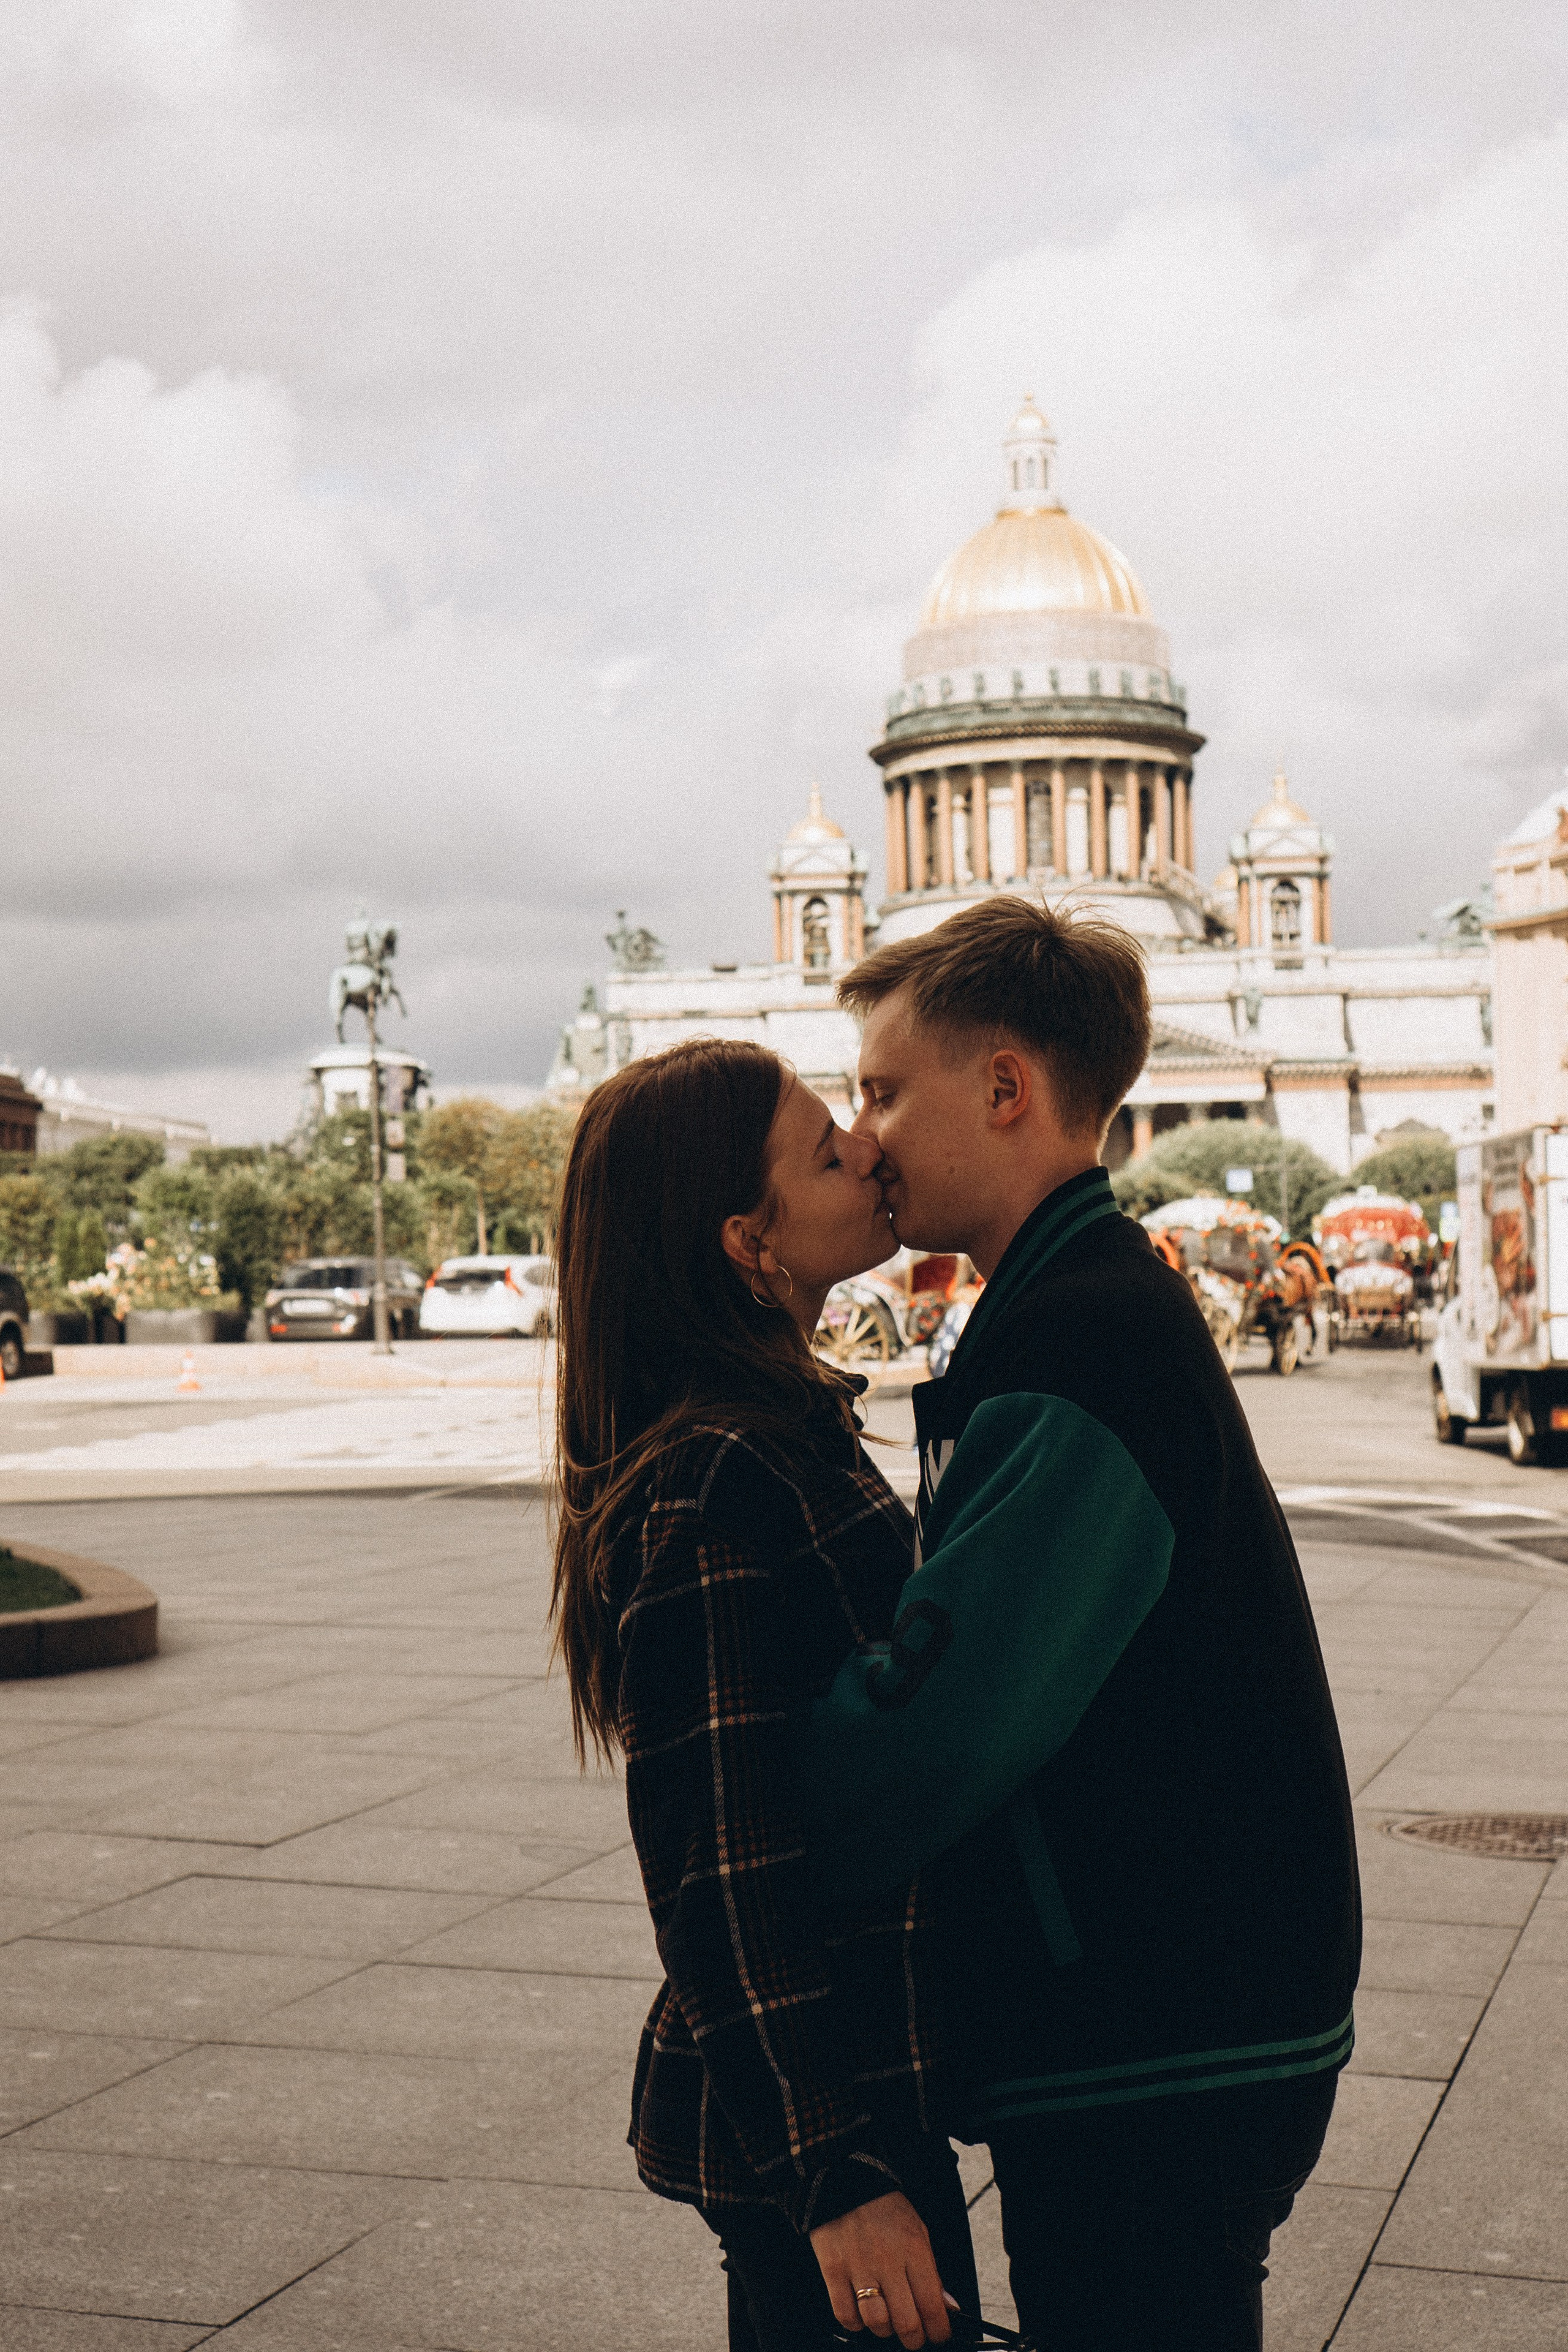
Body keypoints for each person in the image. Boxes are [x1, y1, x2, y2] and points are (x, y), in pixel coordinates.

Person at [794, 895, 1360, 2351]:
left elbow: (931, 1739)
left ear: (1003, 1088)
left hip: (1151, 2033)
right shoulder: (1082, 1304)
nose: (862, 1140)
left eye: (879, 1092)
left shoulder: (1074, 1342)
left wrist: (760, 1790)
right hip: (1189, 2008)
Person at [549, 1038, 980, 2352]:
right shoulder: (719, 1474)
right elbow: (714, 1860)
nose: (866, 1144)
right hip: (821, 2114)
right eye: (823, 1147)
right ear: (750, 1243)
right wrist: (833, 2170)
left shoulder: (760, 1431)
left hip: (847, 2083)